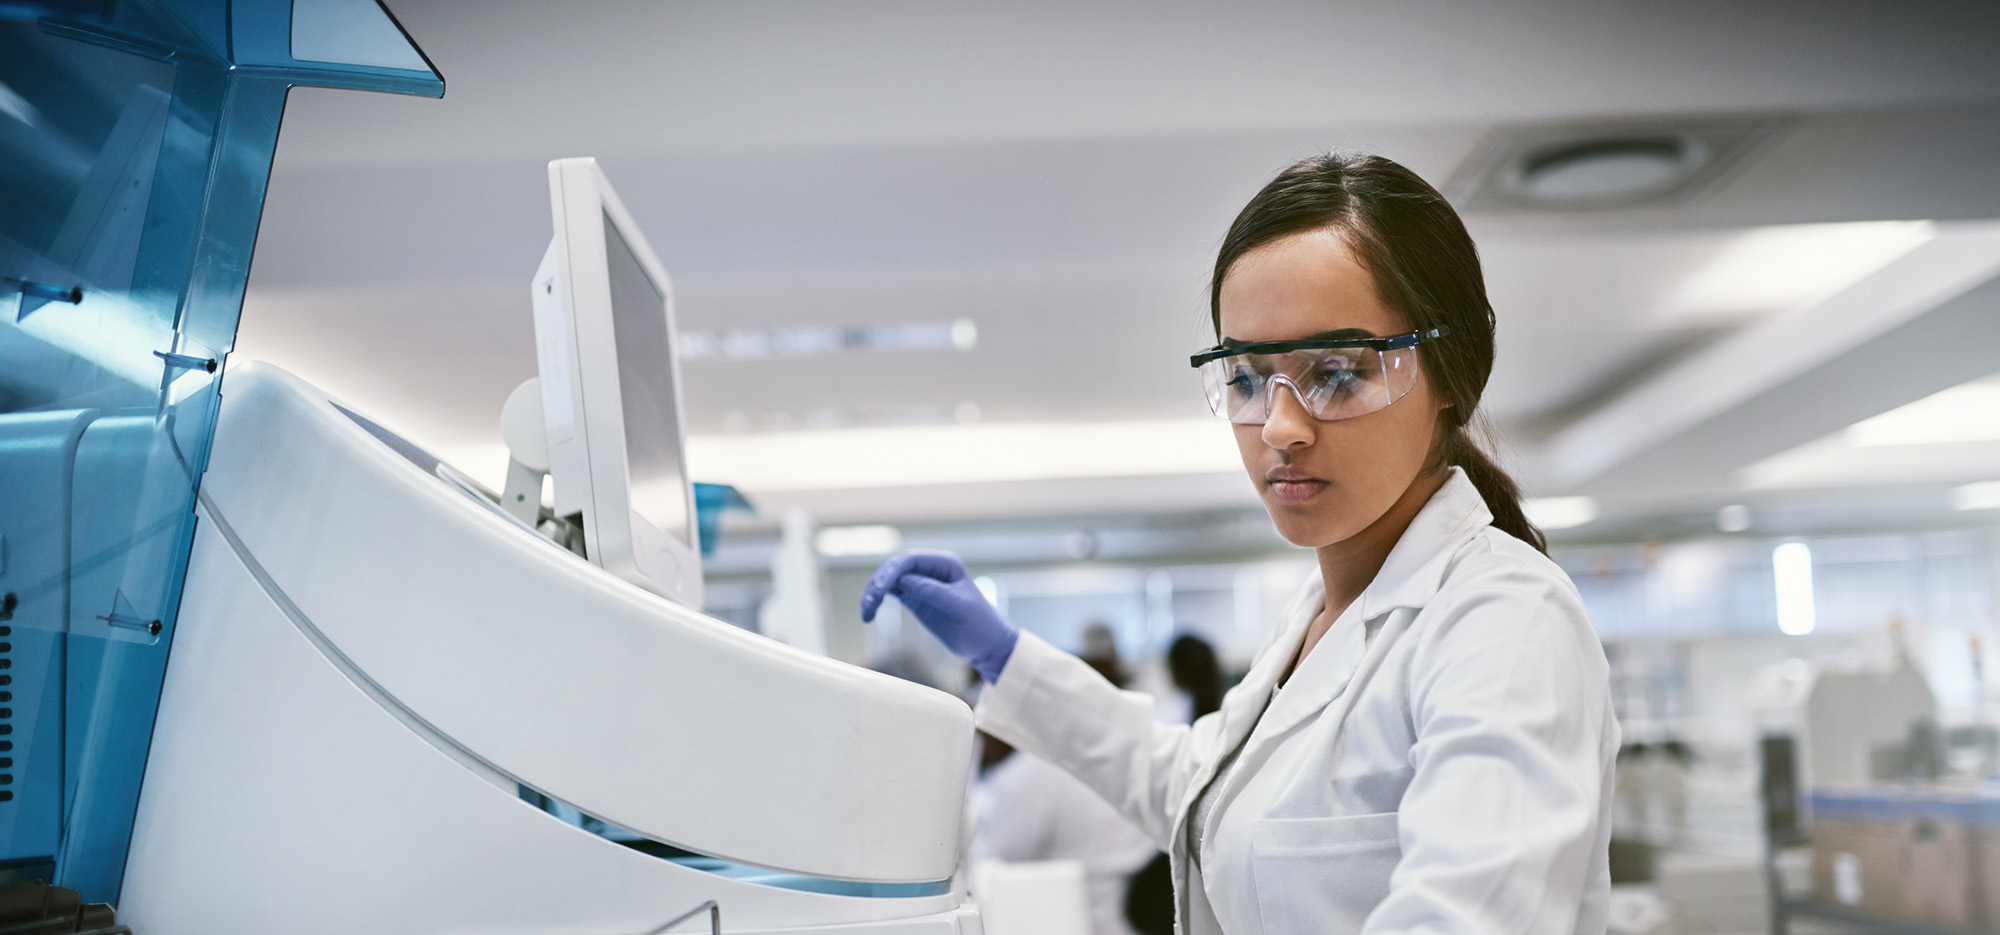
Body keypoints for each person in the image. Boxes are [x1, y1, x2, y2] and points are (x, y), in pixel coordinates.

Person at [863, 152, 1619, 934]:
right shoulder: (1320, 615)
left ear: (1452, 371)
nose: (1281, 428)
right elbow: (1194, 787)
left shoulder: (1503, 624)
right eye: (1248, 377)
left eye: (1337, 371)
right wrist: (1007, 656)